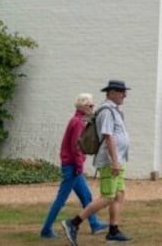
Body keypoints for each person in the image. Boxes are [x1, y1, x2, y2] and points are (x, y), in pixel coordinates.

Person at [62, 79, 132, 245]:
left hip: (119, 160)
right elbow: (108, 136)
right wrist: (114, 161)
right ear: (112, 93)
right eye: (122, 92)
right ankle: (73, 223)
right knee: (108, 197)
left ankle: (113, 231)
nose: (125, 95)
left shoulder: (115, 111)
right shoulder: (107, 111)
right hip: (110, 161)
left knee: (119, 194)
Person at [39, 93, 109, 239]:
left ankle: (95, 223)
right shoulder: (78, 122)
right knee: (61, 199)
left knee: (86, 195)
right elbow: (76, 147)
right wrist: (79, 166)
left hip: (71, 165)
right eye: (90, 105)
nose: (92, 108)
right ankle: (46, 229)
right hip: (72, 166)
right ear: (82, 106)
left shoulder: (77, 120)